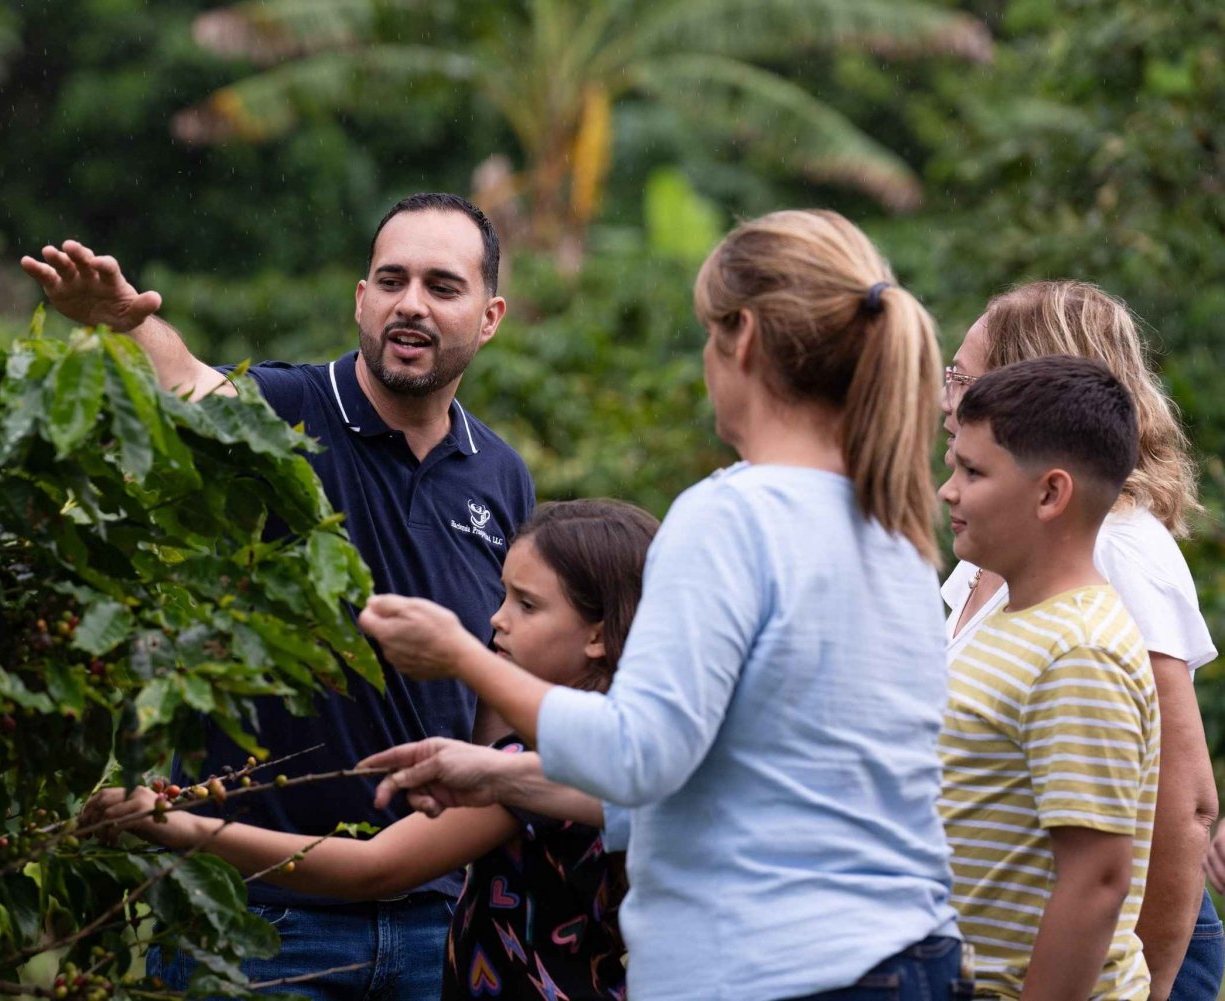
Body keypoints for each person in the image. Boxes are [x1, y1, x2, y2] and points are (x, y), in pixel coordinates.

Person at [359, 209, 966, 1000]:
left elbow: (637, 754)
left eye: (709, 336)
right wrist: (496, 774)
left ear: (741, 336)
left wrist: (459, 655)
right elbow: (719, 777)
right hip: (908, 957)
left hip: (776, 970)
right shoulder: (895, 530)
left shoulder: (732, 515)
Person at [21, 193, 536, 998]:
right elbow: (191, 387)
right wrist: (126, 321)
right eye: (391, 280)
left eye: (442, 286)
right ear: (360, 299)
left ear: (490, 314)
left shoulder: (501, 475)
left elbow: (503, 674)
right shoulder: (288, 407)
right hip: (259, 925)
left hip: (438, 926)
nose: (411, 304)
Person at [84, 499, 656, 999]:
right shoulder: (647, 750)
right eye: (503, 594)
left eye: (526, 605)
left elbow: (371, 868)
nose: (496, 619)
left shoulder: (535, 773)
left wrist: (184, 827)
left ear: (598, 634)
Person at [941, 281, 1219, 1000]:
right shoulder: (1002, 552)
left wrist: (1153, 987)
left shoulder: (1117, 547)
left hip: (1127, 936)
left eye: (963, 378)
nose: (947, 398)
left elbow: (1181, 805)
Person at [938, 355, 1158, 998]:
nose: (948, 491)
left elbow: (1095, 882)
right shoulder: (1013, 618)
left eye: (973, 471)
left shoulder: (1079, 652)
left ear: (1050, 493)